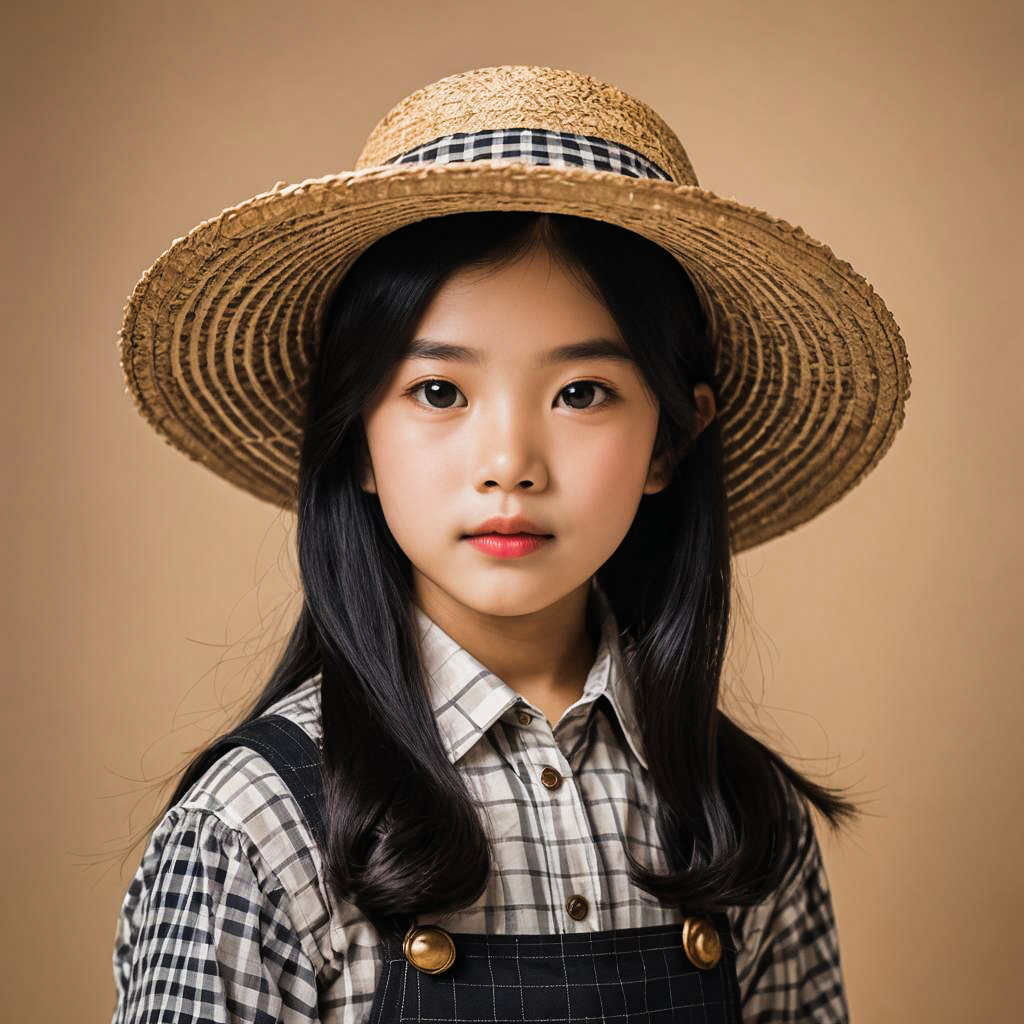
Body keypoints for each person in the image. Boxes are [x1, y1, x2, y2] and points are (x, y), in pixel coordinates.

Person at [110, 65, 911, 1023]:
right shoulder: (255, 827)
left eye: (582, 393)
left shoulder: (745, 818)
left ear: (672, 440)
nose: (510, 464)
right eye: (439, 392)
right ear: (356, 438)